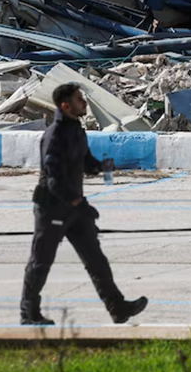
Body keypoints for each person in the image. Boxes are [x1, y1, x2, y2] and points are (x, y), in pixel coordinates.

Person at [19, 83, 148, 325]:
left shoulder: (76, 130)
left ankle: (117, 308)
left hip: (75, 209)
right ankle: (29, 313)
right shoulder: (55, 135)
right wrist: (78, 203)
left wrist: (102, 167)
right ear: (66, 106)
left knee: (96, 260)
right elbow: (54, 179)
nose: (84, 103)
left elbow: (85, 162)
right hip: (52, 209)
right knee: (41, 262)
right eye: (80, 100)